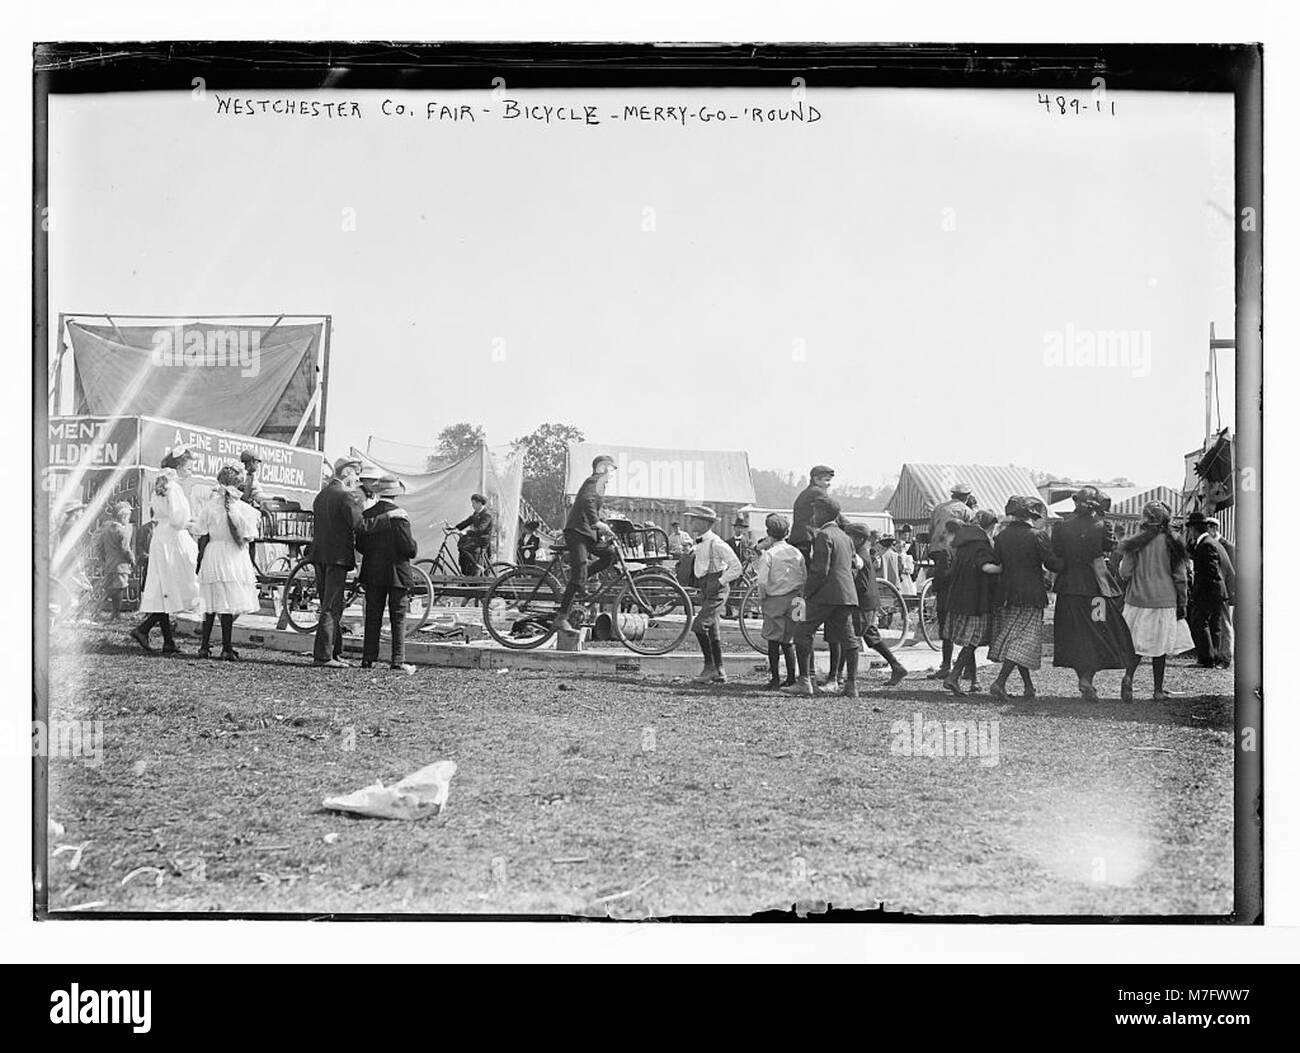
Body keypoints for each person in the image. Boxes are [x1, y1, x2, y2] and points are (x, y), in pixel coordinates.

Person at [1051, 486, 1138, 701]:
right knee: (1099, 630)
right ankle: (1087, 678)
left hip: (1068, 589)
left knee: (1074, 634)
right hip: (1096, 590)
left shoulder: (1061, 527)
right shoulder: (1102, 525)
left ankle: (1083, 677)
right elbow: (1110, 546)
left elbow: (1057, 553)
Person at [987, 497, 1064, 701]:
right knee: (1023, 641)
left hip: (1007, 594)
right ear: (1032, 515)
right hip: (1031, 594)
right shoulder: (1038, 536)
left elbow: (998, 563)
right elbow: (1052, 564)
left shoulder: (1001, 537)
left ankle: (1028, 687)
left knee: (1017, 639)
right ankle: (999, 682)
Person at [785, 496, 858, 697]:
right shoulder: (845, 537)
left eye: (816, 512)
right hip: (846, 596)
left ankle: (805, 680)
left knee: (801, 632)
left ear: (825, 513)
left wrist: (806, 593)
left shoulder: (823, 536)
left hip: (825, 595)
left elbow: (819, 570)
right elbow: (853, 567)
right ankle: (851, 685)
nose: (813, 517)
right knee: (849, 640)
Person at [130, 446, 201, 653]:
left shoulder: (161, 485)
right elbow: (178, 519)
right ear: (178, 467)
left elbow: (166, 515)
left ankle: (165, 640)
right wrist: (191, 522)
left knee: (164, 589)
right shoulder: (174, 488)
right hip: (172, 539)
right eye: (189, 467)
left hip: (162, 537)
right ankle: (145, 630)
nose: (190, 472)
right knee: (178, 585)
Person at [1118, 501, 1191, 701]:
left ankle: (1128, 677)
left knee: (1136, 645)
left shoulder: (1135, 542)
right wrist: (1182, 602)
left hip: (1137, 600)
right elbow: (1180, 577)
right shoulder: (1173, 541)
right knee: (1160, 648)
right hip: (1164, 600)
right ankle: (1158, 690)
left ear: (1145, 518)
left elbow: (1125, 573)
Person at [195, 464, 262, 660]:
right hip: (233, 554)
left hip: (214, 552)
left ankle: (204, 646)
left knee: (211, 601)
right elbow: (249, 537)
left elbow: (201, 530)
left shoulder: (209, 506)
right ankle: (226, 647)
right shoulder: (244, 509)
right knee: (228, 601)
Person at [356, 474, 419, 673]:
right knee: (398, 617)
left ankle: (368, 658)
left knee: (372, 615)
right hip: (397, 573)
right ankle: (397, 660)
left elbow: (361, 545)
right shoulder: (400, 515)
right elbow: (409, 549)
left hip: (373, 571)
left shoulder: (368, 514)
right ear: (395, 494)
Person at [310, 455, 368, 667]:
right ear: (346, 473)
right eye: (356, 473)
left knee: (330, 603)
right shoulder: (346, 496)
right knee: (332, 605)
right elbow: (360, 525)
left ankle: (335, 651)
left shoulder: (321, 496)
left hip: (319, 555)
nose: (357, 478)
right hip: (337, 557)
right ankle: (324, 656)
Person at [553, 455, 619, 633]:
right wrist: (597, 522)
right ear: (602, 468)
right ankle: (561, 617)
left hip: (588, 534)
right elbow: (587, 501)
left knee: (610, 554)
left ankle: (581, 578)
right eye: (611, 469)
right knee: (579, 572)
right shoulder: (594, 480)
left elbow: (594, 508)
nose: (612, 473)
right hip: (577, 532)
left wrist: (605, 524)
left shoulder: (600, 485)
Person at [941, 509, 1002, 696]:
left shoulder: (963, 544)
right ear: (989, 527)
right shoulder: (981, 545)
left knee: (970, 642)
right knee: (973, 640)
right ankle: (954, 675)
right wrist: (1003, 567)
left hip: (959, 598)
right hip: (977, 599)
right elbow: (986, 567)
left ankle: (973, 680)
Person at [842, 523, 910, 690]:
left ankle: (844, 679)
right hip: (868, 603)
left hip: (862, 603)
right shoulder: (865, 554)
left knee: (849, 639)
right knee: (871, 637)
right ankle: (897, 666)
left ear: (858, 539)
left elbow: (862, 585)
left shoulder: (861, 557)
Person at [681, 505, 743, 684]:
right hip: (705, 587)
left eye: (694, 519)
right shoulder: (698, 541)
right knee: (713, 631)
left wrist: (720, 582)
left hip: (717, 589)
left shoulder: (717, 543)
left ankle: (709, 667)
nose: (691, 522)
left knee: (699, 625)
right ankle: (720, 670)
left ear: (705, 522)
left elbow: (736, 567)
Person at [752, 513, 805, 689]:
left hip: (776, 598)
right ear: (787, 531)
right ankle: (793, 677)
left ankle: (775, 678)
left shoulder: (769, 554)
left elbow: (761, 581)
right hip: (797, 598)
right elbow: (804, 575)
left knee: (773, 639)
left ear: (768, 532)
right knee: (792, 639)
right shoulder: (796, 552)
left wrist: (762, 597)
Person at [1185, 510, 1227, 668]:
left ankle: (1206, 658)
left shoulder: (1206, 545)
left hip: (1208, 591)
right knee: (1214, 625)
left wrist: (1199, 592)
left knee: (1199, 622)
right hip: (1216, 591)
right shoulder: (1207, 542)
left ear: (1194, 529)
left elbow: (1210, 571)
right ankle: (1213, 656)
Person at [95, 501, 135, 623]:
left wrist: (103, 560)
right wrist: (132, 560)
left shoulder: (106, 529)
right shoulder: (122, 531)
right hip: (121, 565)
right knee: (119, 589)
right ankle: (116, 614)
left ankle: (99, 611)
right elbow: (125, 549)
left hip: (109, 564)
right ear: (123, 516)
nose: (128, 519)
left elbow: (99, 546)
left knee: (110, 589)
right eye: (128, 516)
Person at [790, 464, 836, 562]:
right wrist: (849, 527)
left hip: (799, 536)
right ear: (816, 479)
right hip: (805, 538)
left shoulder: (809, 491)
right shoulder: (817, 492)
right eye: (826, 480)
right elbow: (833, 509)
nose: (829, 484)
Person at [1205, 518, 1235, 667]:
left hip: (1226, 592)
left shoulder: (1227, 546)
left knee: (1225, 624)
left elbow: (1232, 571)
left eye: (1207, 528)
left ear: (1213, 528)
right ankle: (1218, 655)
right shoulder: (1215, 544)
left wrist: (1231, 593)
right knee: (1218, 624)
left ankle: (1226, 658)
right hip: (1217, 591)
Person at [927, 482, 976, 565]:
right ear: (966, 497)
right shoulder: (967, 511)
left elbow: (931, 529)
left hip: (935, 549)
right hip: (953, 551)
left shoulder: (939, 508)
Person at [453, 493, 494, 576]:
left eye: (473, 503)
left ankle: (477, 566)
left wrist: (466, 532)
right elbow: (467, 522)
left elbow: (480, 529)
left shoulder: (487, 515)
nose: (472, 505)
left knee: (464, 547)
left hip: (482, 540)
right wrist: (454, 528)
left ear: (479, 503)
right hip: (476, 539)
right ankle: (466, 572)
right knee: (461, 546)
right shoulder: (476, 513)